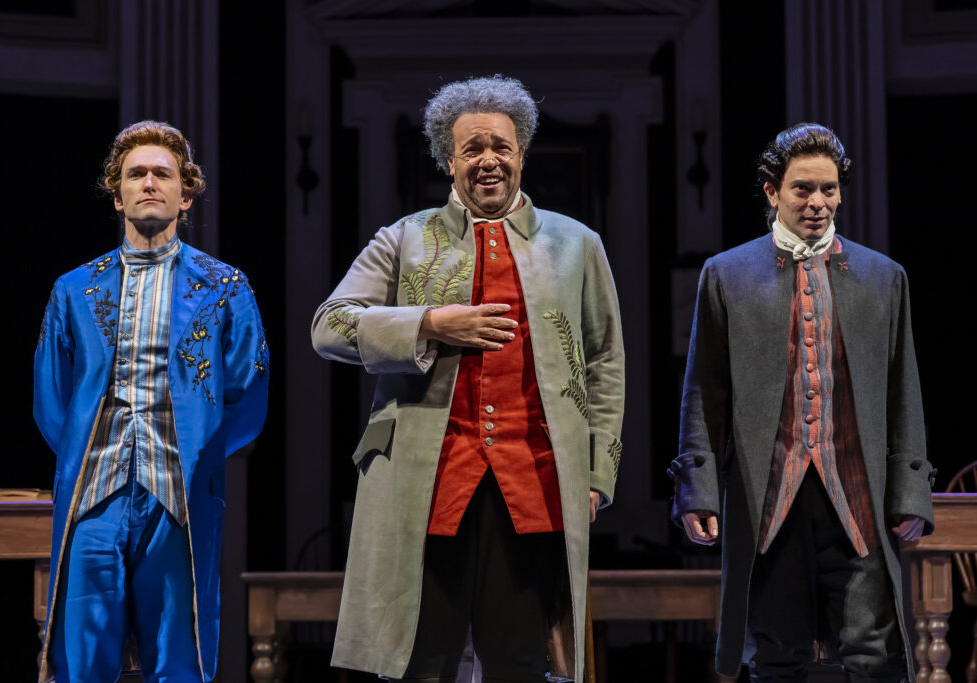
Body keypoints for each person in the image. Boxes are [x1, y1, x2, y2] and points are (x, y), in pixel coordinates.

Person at [312, 75, 624, 682]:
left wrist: (596, 472)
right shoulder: (404, 238)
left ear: (522, 154)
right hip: (425, 483)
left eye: (501, 147)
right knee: (419, 662)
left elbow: (604, 359)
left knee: (518, 663)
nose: (488, 161)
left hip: (531, 479)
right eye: (473, 148)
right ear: (449, 161)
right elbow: (329, 326)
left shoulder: (575, 244)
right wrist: (430, 323)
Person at [670, 122, 934, 682]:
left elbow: (902, 387)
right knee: (776, 652)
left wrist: (910, 489)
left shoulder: (883, 277)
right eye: (802, 189)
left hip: (856, 491)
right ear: (772, 192)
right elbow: (704, 393)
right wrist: (697, 486)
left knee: (873, 652)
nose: (817, 202)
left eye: (829, 189)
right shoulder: (728, 275)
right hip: (770, 495)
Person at [34, 120, 269, 683]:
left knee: (178, 658)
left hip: (179, 494)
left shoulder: (224, 286)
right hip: (95, 494)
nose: (148, 183)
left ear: (185, 195)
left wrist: (204, 459)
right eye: (135, 174)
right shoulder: (72, 289)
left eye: (162, 174)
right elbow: (51, 398)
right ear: (116, 196)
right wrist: (77, 454)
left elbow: (248, 394)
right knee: (81, 655)